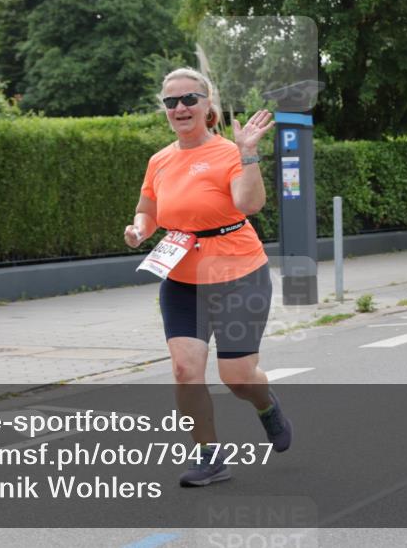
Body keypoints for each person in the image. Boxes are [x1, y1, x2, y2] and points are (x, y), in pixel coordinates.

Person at [124, 67, 291, 487]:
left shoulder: (229, 152)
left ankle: (266, 404)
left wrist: (248, 151)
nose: (180, 108)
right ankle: (209, 456)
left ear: (206, 104)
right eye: (171, 102)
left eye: (188, 100)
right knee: (185, 369)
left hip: (238, 274)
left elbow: (250, 204)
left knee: (237, 377)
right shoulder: (159, 160)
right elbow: (148, 209)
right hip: (181, 277)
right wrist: (140, 229)